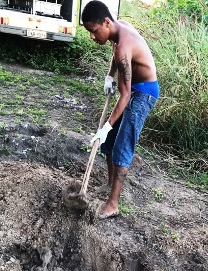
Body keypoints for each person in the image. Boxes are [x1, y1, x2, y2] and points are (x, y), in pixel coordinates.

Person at [82, 0, 160, 219]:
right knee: (108, 143)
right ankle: (109, 184)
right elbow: (116, 54)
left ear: (106, 22)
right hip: (133, 89)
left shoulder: (124, 45)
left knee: (121, 146)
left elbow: (125, 96)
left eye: (94, 31)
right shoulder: (118, 27)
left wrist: (106, 126)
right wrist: (110, 75)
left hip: (143, 93)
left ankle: (113, 203)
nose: (93, 37)